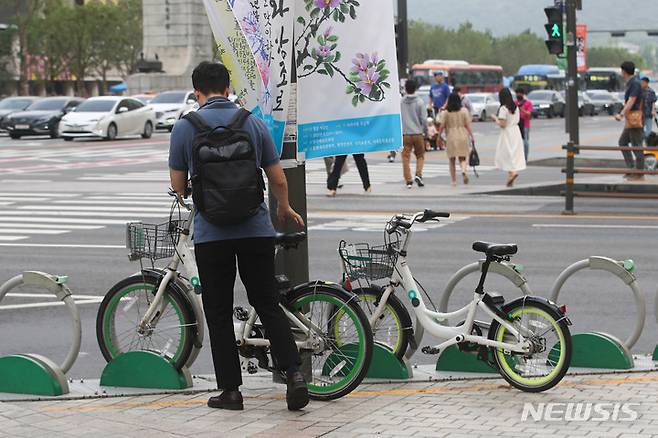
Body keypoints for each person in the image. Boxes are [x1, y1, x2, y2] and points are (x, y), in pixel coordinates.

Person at [169, 61, 309, 411]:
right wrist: (283, 208)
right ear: (228, 89)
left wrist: (193, 189)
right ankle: (294, 375)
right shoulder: (252, 122)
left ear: (197, 92)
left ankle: (231, 392)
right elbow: (277, 178)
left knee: (217, 311)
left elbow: (177, 186)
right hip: (255, 229)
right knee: (266, 302)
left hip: (211, 234)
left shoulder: (185, 127)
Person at [615, 61, 645, 179]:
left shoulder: (635, 83)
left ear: (624, 71)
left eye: (621, 71)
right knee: (623, 142)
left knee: (636, 145)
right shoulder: (631, 83)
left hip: (634, 119)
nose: (621, 73)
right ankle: (631, 168)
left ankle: (639, 172)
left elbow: (631, 100)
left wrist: (622, 114)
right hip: (630, 119)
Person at [437, 92, 474, 186]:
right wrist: (472, 136)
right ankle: (463, 170)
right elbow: (467, 125)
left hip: (451, 136)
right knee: (463, 157)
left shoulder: (446, 112)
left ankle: (453, 181)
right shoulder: (464, 111)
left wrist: (439, 137)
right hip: (462, 135)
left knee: (452, 160)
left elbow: (442, 125)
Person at [493, 88, 526, 187]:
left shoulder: (503, 108)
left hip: (507, 132)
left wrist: (495, 118)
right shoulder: (515, 107)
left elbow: (502, 124)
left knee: (506, 154)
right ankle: (510, 176)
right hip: (516, 131)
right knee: (513, 153)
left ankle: (512, 172)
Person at [400, 79, 428, 188]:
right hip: (418, 133)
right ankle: (419, 175)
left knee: (405, 157)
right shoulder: (420, 102)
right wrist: (425, 131)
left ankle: (408, 180)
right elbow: (424, 119)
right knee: (420, 155)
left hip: (406, 133)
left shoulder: (401, 102)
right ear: (415, 88)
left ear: (406, 89)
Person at [515, 88, 533, 161]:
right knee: (516, 142)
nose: (518, 95)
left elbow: (529, 114)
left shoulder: (528, 103)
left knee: (525, 142)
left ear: (522, 94)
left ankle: (525, 158)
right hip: (516, 124)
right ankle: (517, 157)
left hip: (525, 124)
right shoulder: (515, 102)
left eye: (519, 93)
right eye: (517, 93)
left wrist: (521, 109)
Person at [641, 76, 657, 142]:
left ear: (646, 83)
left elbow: (653, 102)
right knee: (640, 129)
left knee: (648, 130)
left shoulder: (651, 91)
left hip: (648, 113)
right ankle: (641, 142)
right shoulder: (639, 91)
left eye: (643, 83)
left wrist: (653, 110)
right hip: (640, 114)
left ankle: (648, 142)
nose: (641, 84)